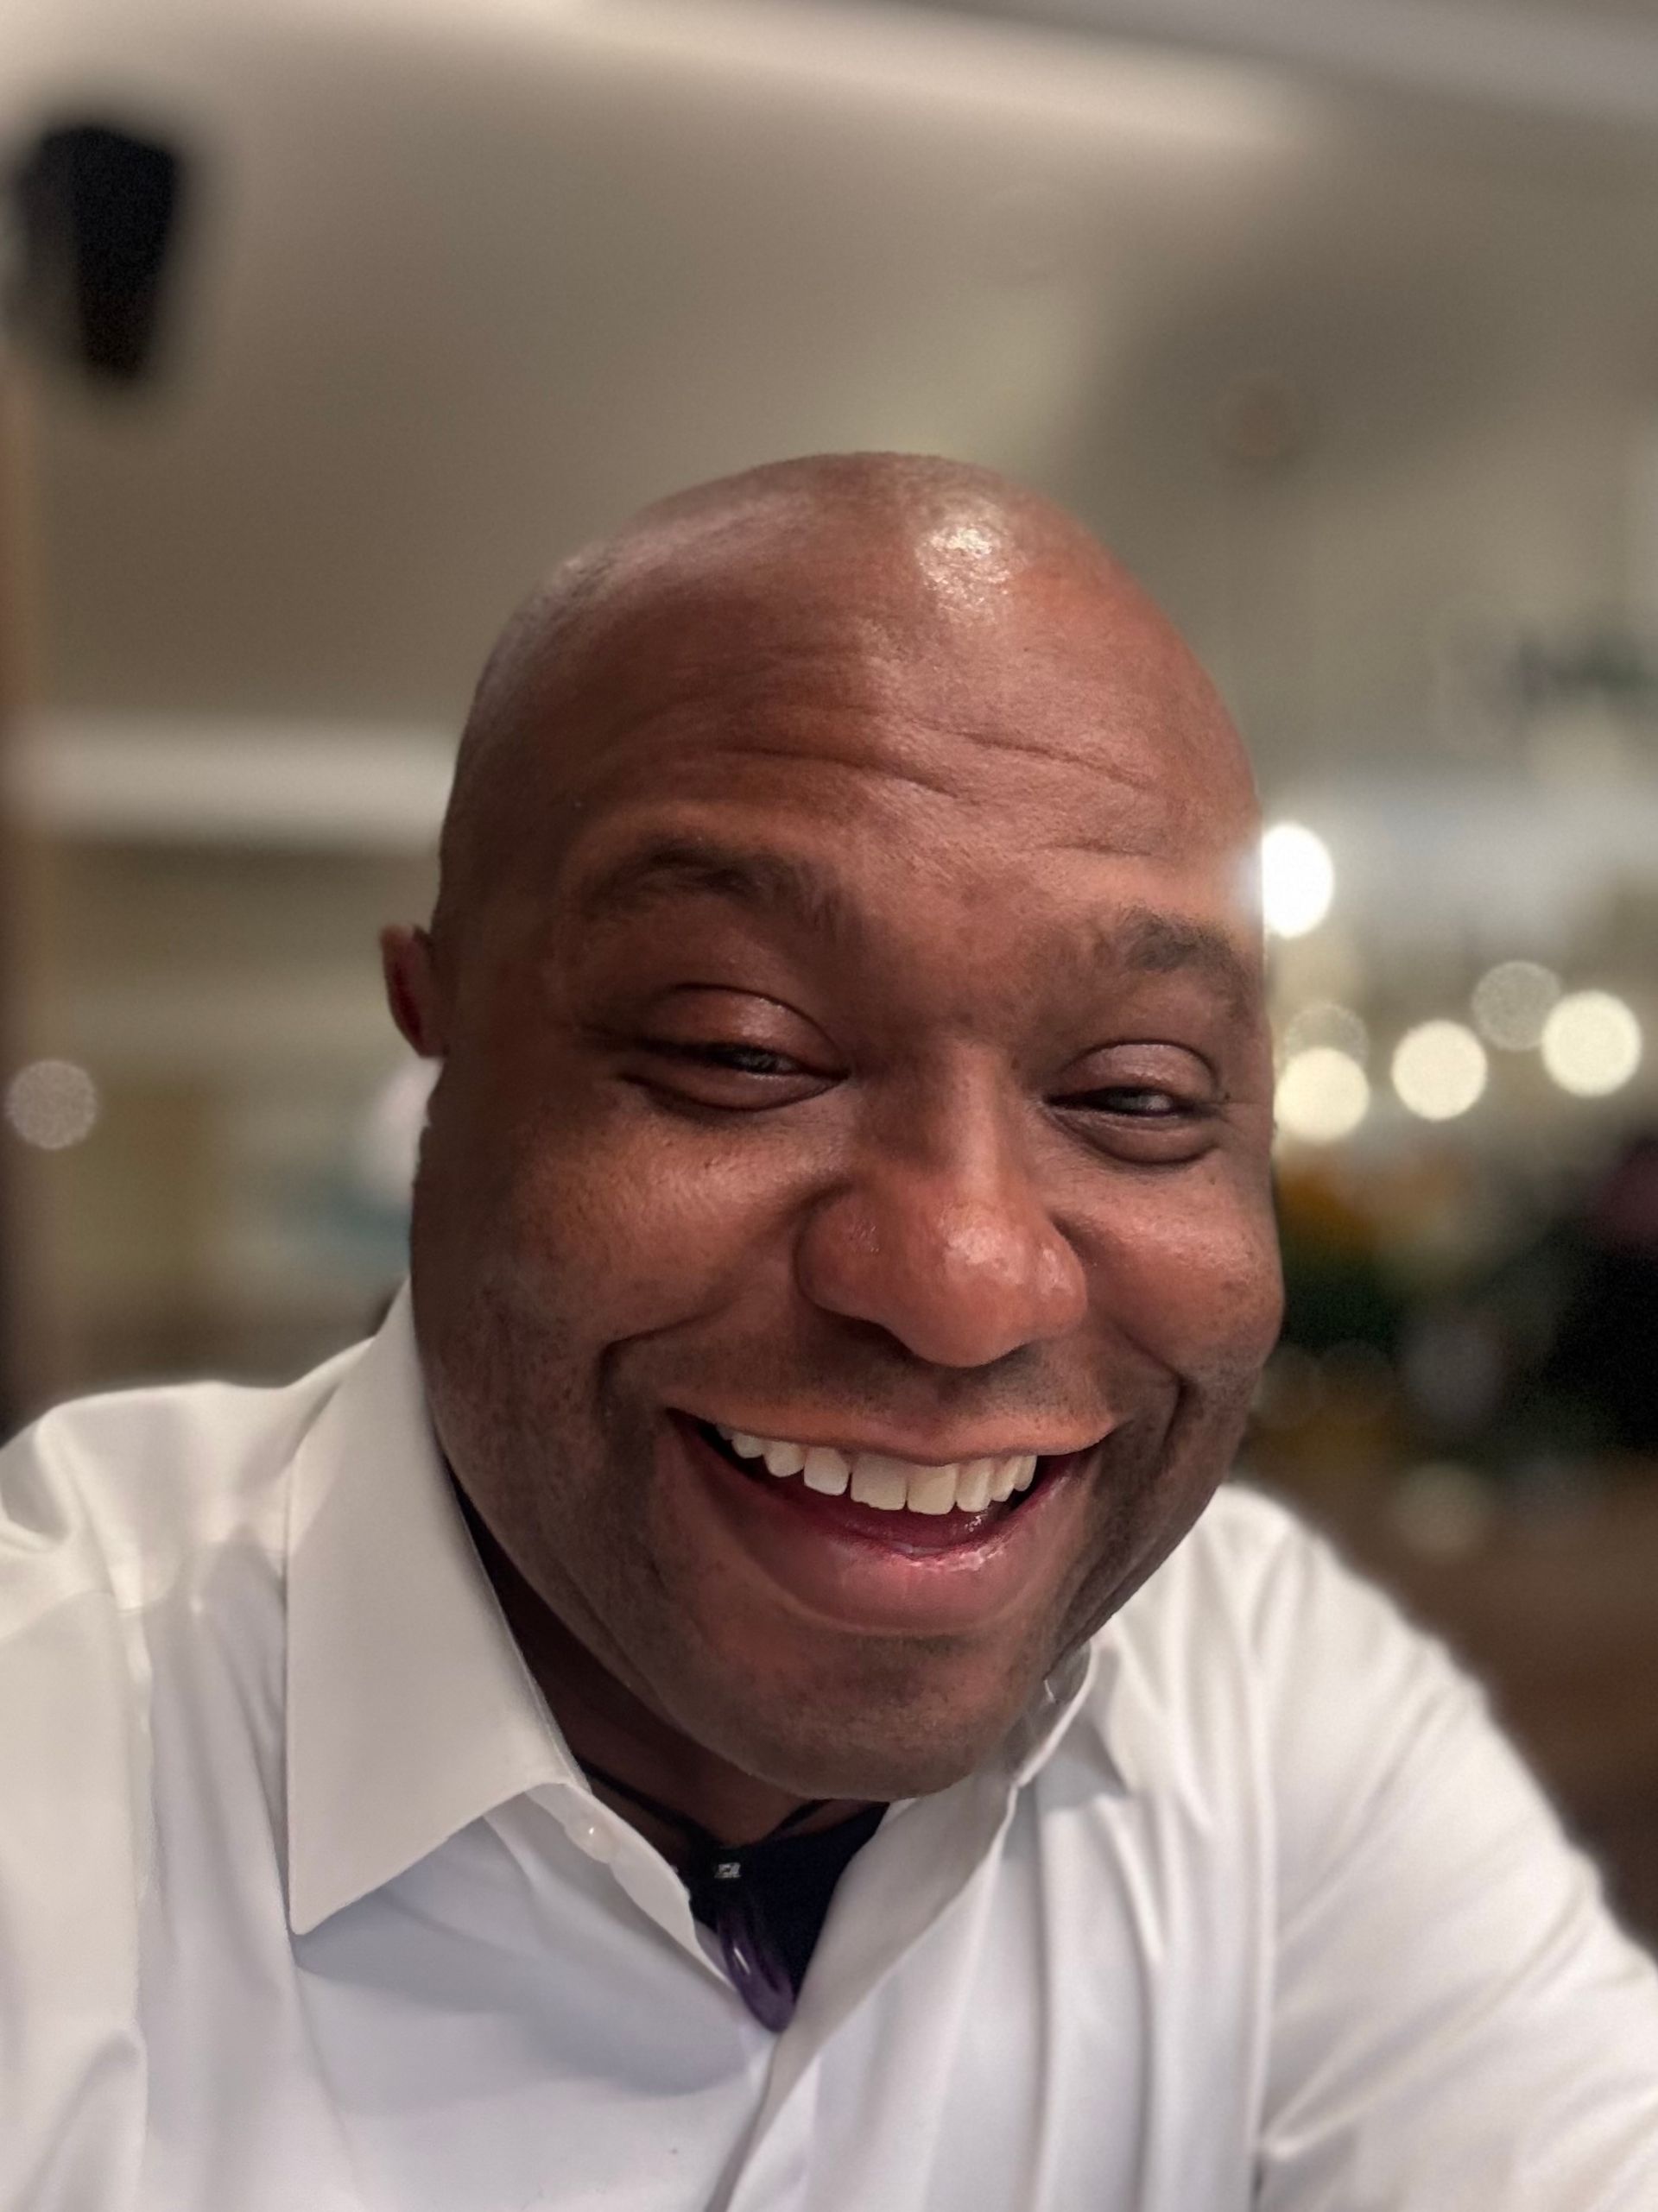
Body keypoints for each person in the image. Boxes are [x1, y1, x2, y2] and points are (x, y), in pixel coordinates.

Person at [3, 455, 1655, 2212]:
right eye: (739, 1050)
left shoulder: (1263, 1695)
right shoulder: (64, 1770)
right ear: (440, 1044)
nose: (959, 1283)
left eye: (1136, 1091)